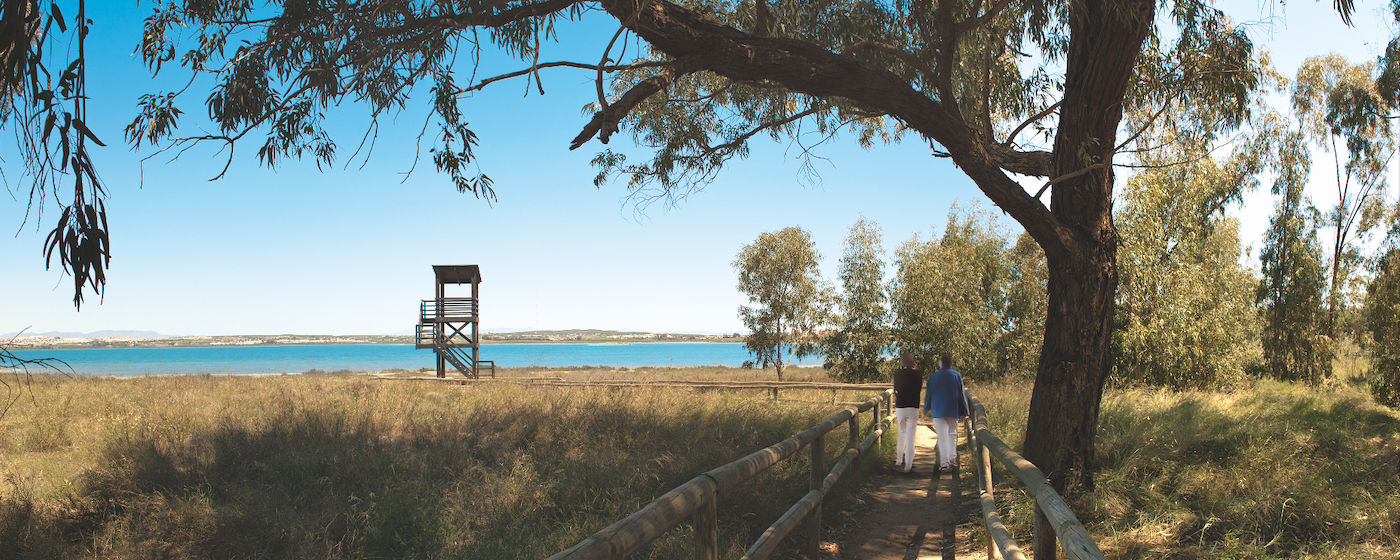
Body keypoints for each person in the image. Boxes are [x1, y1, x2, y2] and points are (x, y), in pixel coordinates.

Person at [923, 353, 969, 471]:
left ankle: (944, 463)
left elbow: (929, 394)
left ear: (941, 363)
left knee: (942, 437)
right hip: (953, 409)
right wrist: (964, 410)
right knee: (952, 434)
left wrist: (926, 408)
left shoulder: (934, 376)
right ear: (950, 364)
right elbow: (961, 394)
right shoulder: (956, 375)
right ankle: (952, 459)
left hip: (938, 410)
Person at [891, 353, 923, 473]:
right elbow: (919, 390)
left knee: (902, 433)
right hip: (913, 406)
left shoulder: (898, 374)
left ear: (903, 363)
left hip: (900, 406)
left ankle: (899, 460)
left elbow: (896, 390)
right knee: (910, 437)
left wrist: (900, 397)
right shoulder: (918, 374)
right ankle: (908, 465)